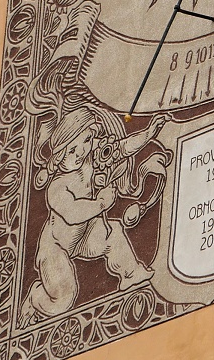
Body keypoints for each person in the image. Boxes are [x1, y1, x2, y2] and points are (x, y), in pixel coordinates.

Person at [21, 107, 164, 324]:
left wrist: (148, 133)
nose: (80, 152)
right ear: (60, 154)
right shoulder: (57, 187)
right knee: (63, 298)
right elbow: (72, 213)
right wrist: (102, 203)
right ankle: (35, 297)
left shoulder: (89, 158)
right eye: (72, 150)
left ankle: (131, 274)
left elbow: (121, 148)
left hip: (86, 235)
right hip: (57, 247)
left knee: (113, 232)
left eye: (87, 141)